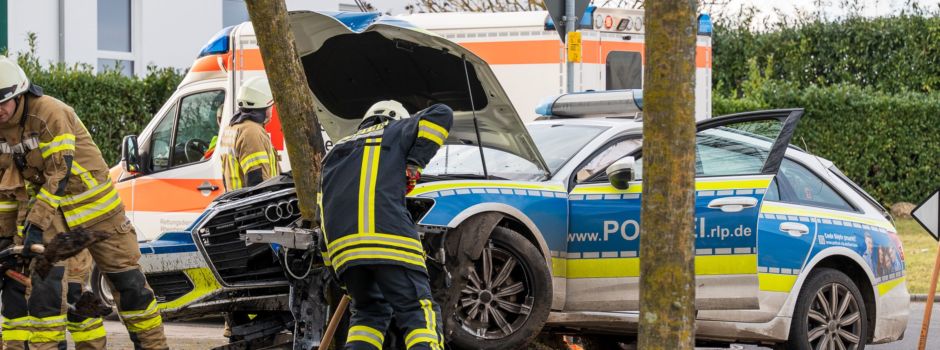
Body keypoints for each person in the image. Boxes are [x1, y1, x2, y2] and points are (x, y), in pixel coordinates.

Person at [0, 56, 167, 349]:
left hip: (99, 214)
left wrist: (36, 226)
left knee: (130, 288)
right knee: (47, 292)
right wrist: (5, 235)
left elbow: (58, 174)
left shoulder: (51, 113)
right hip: (55, 214)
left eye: (4, 101)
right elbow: (6, 185)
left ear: (20, 93)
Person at [319, 100, 453, 349]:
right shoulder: (397, 129)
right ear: (396, 118)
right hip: (391, 241)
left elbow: (322, 217)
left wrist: (339, 273)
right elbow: (442, 113)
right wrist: (414, 163)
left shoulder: (334, 153)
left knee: (368, 315)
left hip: (344, 253)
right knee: (418, 311)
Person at [219, 77, 280, 191]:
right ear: (263, 106)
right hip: (253, 206)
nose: (271, 110)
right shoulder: (251, 133)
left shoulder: (231, 128)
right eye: (270, 106)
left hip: (236, 202)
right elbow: (258, 181)